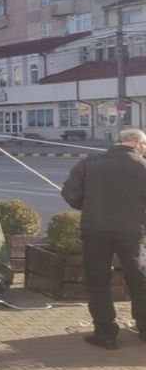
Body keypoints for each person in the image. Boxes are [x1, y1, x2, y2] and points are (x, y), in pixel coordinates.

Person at [61, 127, 146, 349]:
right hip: (131, 232)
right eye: (144, 145)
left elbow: (70, 193)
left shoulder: (90, 163)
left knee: (97, 280)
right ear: (137, 143)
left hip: (94, 230)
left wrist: (88, 207)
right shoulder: (143, 166)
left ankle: (106, 333)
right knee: (139, 279)